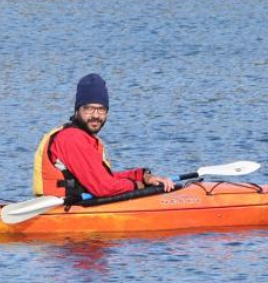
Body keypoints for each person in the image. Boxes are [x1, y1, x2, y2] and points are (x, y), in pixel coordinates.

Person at [32, 73, 175, 199]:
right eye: (89, 108)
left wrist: (142, 177)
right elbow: (103, 187)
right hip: (60, 210)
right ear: (77, 110)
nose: (95, 115)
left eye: (101, 109)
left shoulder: (85, 137)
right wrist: (137, 185)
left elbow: (104, 178)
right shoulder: (72, 139)